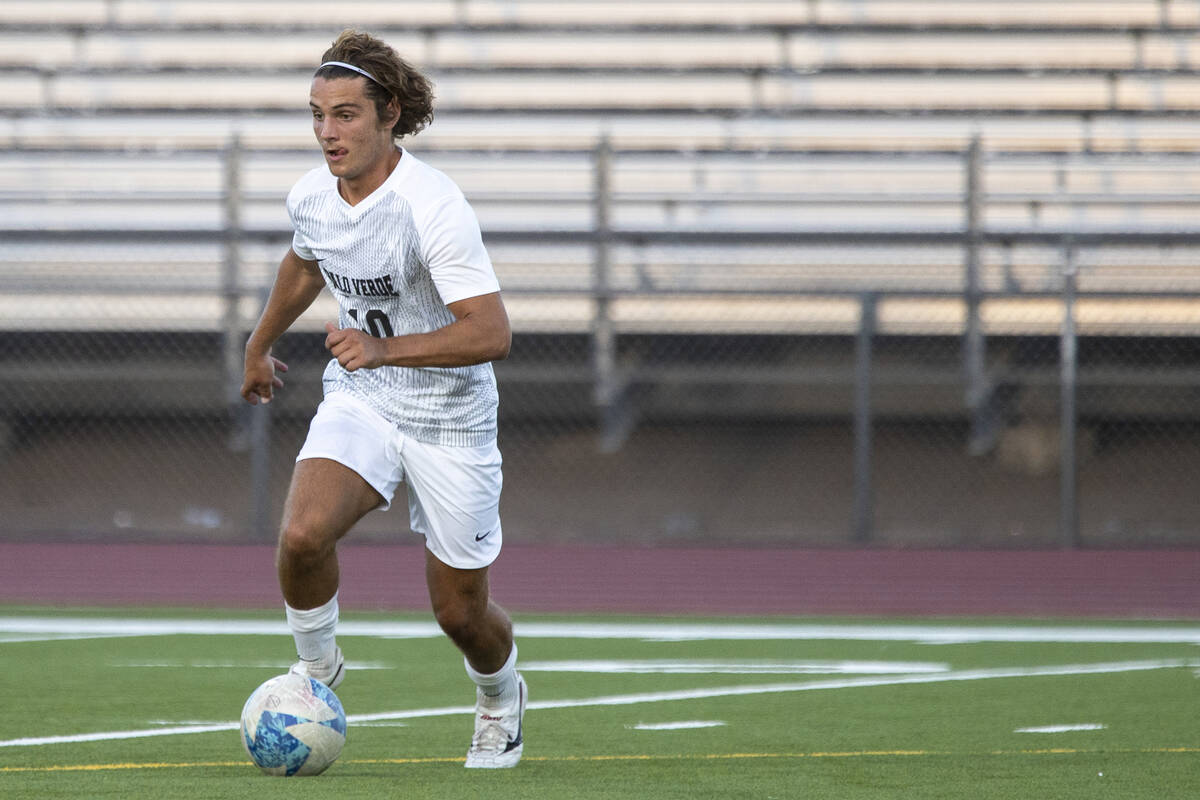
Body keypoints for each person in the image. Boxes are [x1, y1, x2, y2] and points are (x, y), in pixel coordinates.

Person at [239, 29, 525, 769]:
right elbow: (306, 263)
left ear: (388, 113)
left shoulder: (432, 204)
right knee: (302, 537)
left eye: (345, 115)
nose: (328, 133)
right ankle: (318, 671)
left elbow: (492, 332)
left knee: (459, 613)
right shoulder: (312, 193)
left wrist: (385, 347)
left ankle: (499, 697)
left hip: (451, 420)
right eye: (316, 115)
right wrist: (258, 342)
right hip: (364, 398)